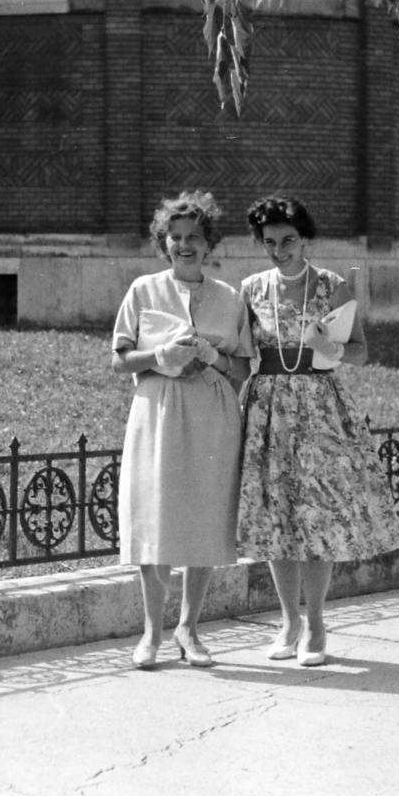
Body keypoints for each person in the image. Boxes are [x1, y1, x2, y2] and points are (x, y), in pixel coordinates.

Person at [235, 196, 399, 667]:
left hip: (319, 408)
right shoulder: (250, 289)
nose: (279, 250)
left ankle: (317, 622)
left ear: (305, 239)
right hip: (267, 408)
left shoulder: (332, 285)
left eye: (288, 240)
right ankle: (288, 620)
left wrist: (330, 345)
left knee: (317, 515)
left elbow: (362, 352)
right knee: (277, 515)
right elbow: (239, 352)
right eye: (269, 243)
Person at [111, 191, 254, 670]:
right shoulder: (143, 291)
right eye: (175, 237)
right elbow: (119, 358)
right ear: (163, 242)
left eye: (194, 236)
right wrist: (159, 358)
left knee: (204, 518)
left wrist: (213, 356)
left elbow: (243, 368)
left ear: (208, 242)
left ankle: (190, 629)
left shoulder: (230, 298)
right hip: (158, 410)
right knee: (154, 518)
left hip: (213, 412)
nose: (185, 245)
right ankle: (151, 631)